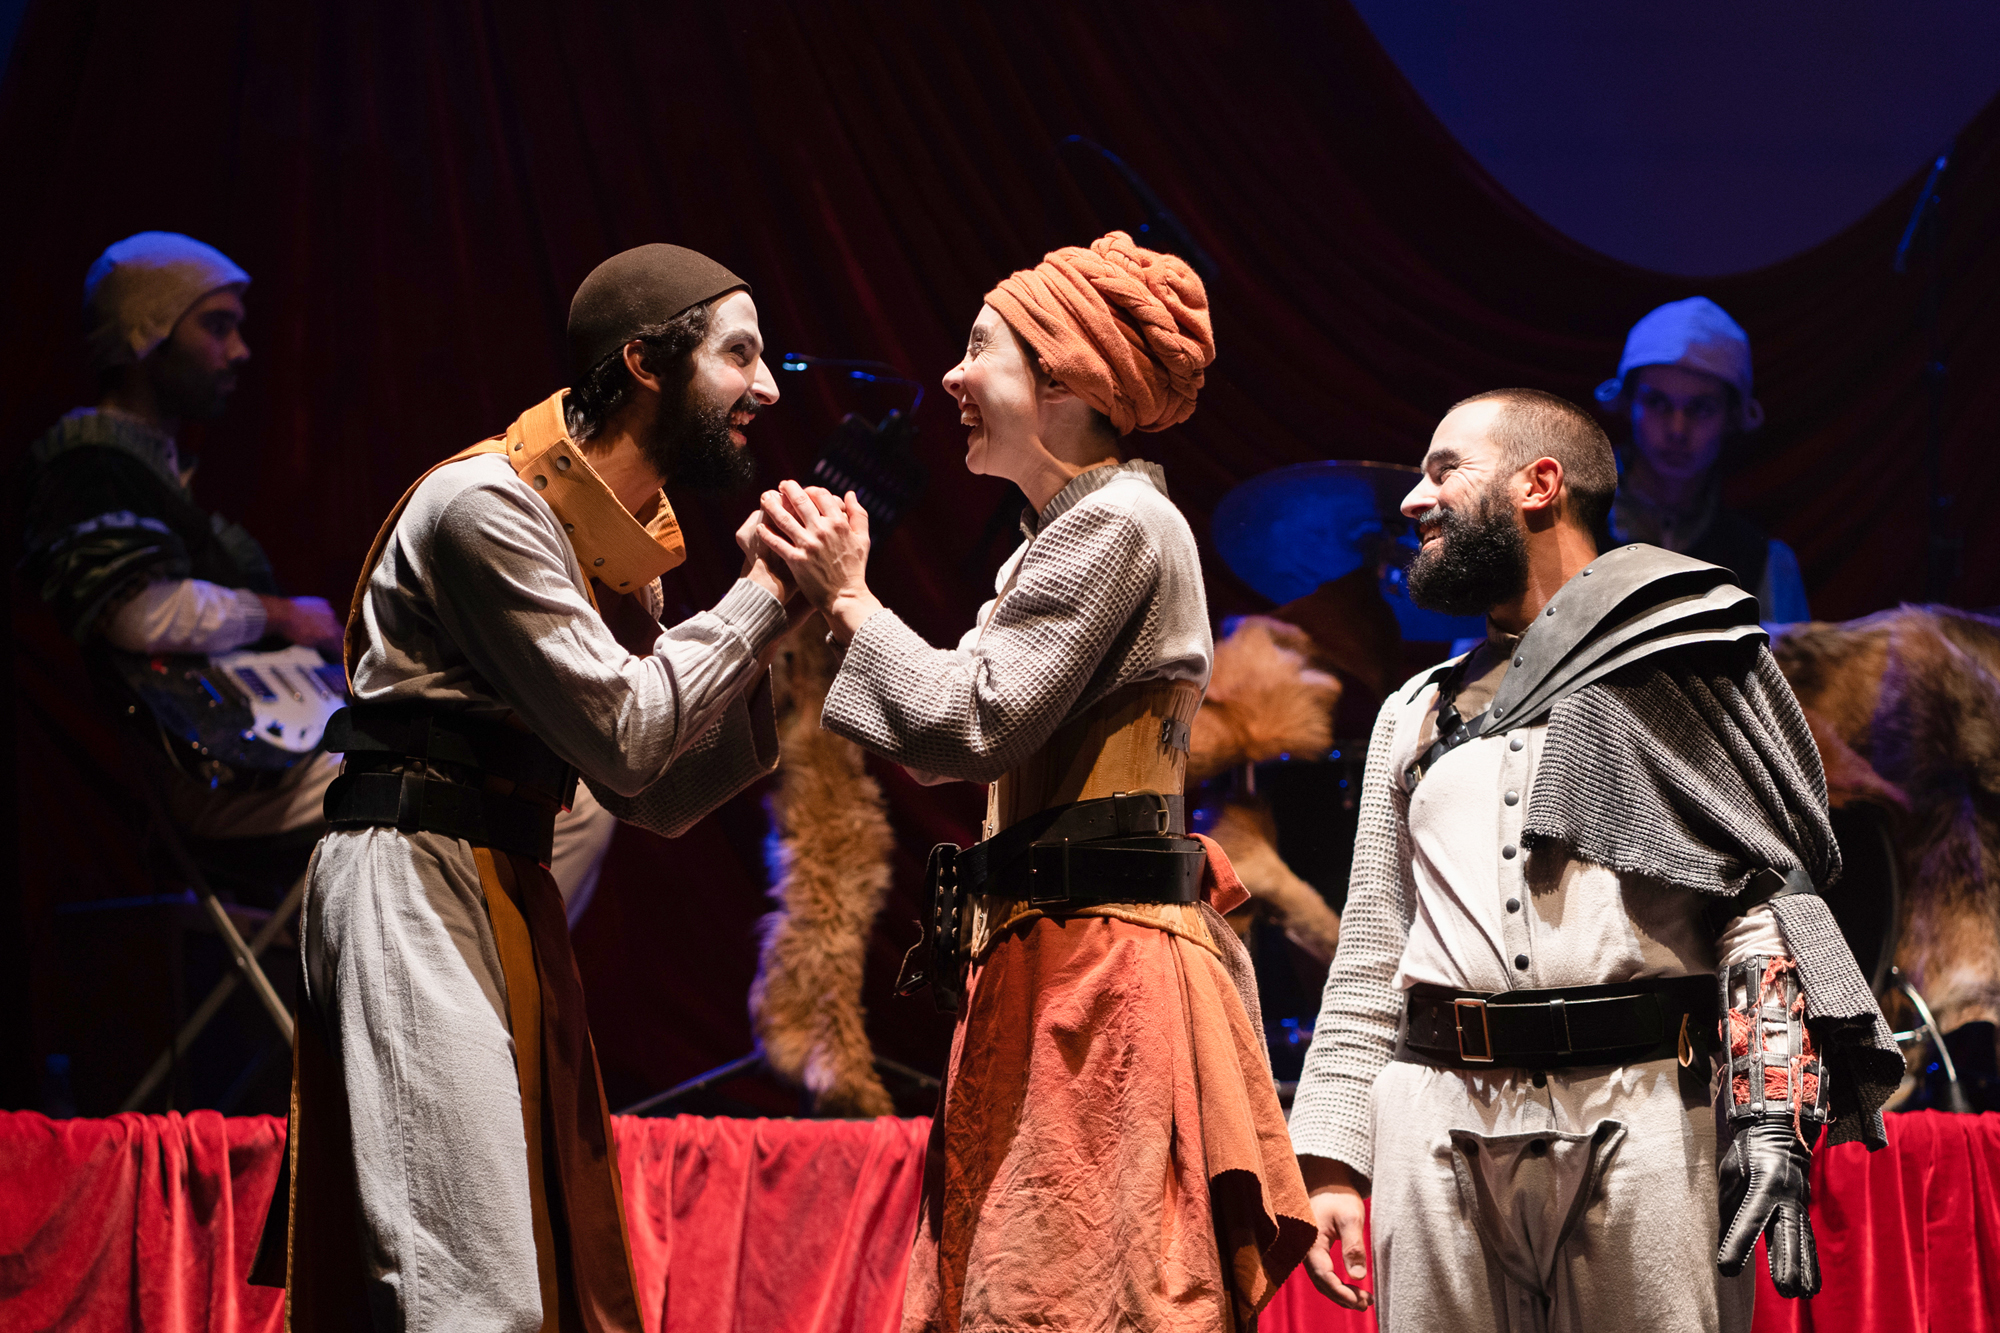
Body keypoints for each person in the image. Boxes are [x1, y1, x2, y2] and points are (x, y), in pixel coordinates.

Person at [754, 231, 1314, 1332]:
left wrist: (853, 600)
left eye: (980, 348)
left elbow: (968, 721)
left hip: (1097, 967)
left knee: (1078, 1287)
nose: (952, 376)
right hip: (1059, 957)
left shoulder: (1116, 523)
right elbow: (950, 729)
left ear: (1065, 377)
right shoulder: (1068, 532)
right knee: (1036, 1281)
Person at [270, 243, 802, 1331]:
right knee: (469, 1286)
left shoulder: (604, 546)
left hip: (498, 873)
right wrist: (759, 595)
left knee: (531, 1274)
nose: (767, 388)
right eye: (739, 354)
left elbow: (651, 795)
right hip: (413, 870)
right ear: (645, 362)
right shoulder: (486, 507)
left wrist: (779, 637)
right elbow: (627, 737)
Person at [1287, 389, 1900, 1331]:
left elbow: (1764, 900)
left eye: (1445, 470)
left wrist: (1769, 1107)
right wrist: (1332, 1158)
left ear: (1539, 484)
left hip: (1646, 1120)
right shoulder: (1414, 710)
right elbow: (1374, 942)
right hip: (1435, 1127)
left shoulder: (1686, 664)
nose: (1413, 499)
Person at [1595, 296, 1810, 622]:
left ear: (1731, 418)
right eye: (1658, 403)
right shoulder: (1567, 530)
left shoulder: (1761, 562)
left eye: (1700, 408)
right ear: (1628, 404)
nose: (1677, 430)